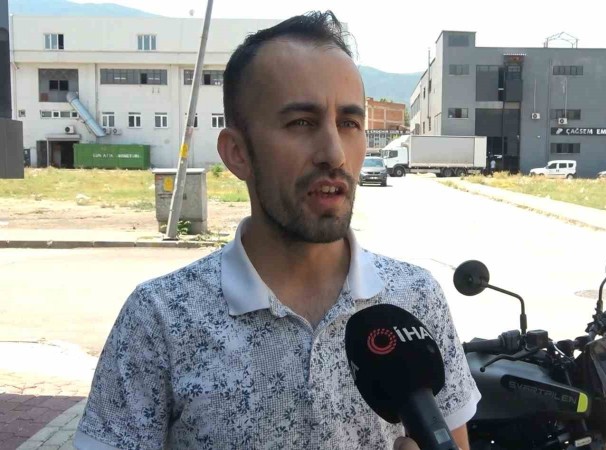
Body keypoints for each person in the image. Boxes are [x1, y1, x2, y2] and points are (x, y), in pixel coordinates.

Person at [73, 11, 480, 450]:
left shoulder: (416, 299)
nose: (334, 153)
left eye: (349, 123)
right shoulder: (160, 318)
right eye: (301, 122)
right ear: (237, 153)